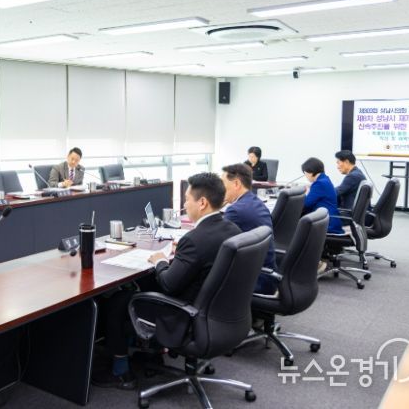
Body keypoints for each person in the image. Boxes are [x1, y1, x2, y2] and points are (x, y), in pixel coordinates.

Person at [92, 172, 241, 389]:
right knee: (145, 284)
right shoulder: (232, 229)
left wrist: (161, 260)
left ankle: (121, 373)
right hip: (220, 313)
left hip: (188, 316)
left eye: (187, 199)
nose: (184, 205)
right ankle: (152, 354)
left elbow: (169, 284)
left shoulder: (195, 239)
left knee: (119, 300)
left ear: (202, 202)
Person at [221, 163, 278, 294]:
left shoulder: (235, 211)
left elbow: (216, 245)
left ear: (236, 184)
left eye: (223, 184)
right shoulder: (255, 202)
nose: (221, 189)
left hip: (255, 280)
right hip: (268, 274)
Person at [301, 157, 343, 234]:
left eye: (305, 173)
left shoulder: (319, 184)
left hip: (327, 224)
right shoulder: (325, 179)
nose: (306, 176)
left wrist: (304, 194)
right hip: (329, 220)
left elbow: (306, 204)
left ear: (310, 172)